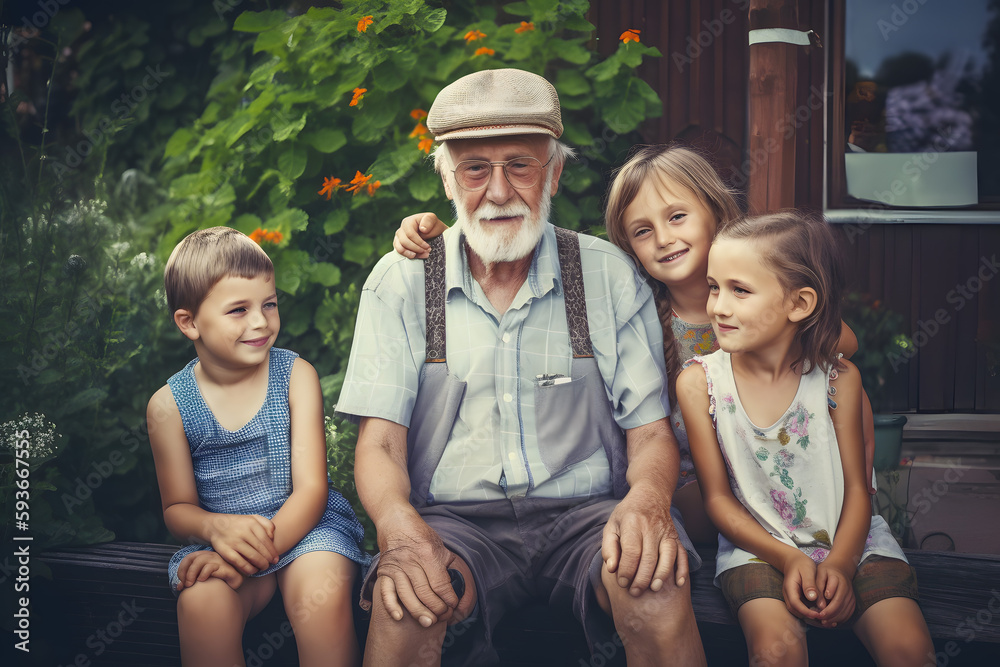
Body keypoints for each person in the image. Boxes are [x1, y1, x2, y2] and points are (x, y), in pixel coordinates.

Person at [337, 69, 706, 666]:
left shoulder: (605, 274)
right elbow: (379, 446)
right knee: (405, 603)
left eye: (520, 165)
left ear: (554, 172)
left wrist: (646, 501)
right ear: (447, 179)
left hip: (590, 519)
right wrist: (401, 530)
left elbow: (650, 434)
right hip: (456, 525)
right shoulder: (401, 281)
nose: (499, 190)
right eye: (475, 168)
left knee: (654, 587)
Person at [393, 145, 877, 548]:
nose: (664, 239)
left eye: (678, 217)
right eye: (643, 231)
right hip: (698, 482)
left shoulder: (767, 293)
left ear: (716, 211)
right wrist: (444, 234)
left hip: (785, 461)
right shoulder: (644, 308)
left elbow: (837, 347)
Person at [676, 212, 933, 666]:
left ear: (799, 304)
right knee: (777, 652)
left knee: (908, 650)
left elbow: (858, 489)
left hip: (853, 541)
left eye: (740, 290)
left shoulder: (838, 380)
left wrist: (840, 563)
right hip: (757, 548)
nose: (717, 306)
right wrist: (788, 558)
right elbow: (718, 501)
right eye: (714, 286)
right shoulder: (700, 384)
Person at [146, 227, 370, 667]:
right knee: (201, 604)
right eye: (238, 310)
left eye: (269, 304)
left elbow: (311, 491)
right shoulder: (168, 406)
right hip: (227, 543)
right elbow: (177, 509)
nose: (261, 322)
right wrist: (215, 531)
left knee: (318, 591)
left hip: (308, 531)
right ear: (189, 322)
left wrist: (252, 558)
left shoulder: (294, 376)